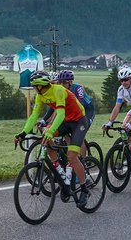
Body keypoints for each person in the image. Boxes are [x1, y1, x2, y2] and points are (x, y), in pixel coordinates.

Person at [15, 71, 90, 206]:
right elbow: (34, 116)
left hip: (79, 121)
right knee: (45, 137)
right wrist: (23, 134)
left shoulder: (58, 90)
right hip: (66, 121)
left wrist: (50, 130)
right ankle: (59, 169)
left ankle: (84, 188)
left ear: (42, 84)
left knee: (72, 156)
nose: (35, 89)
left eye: (36, 85)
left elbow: (60, 113)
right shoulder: (40, 95)